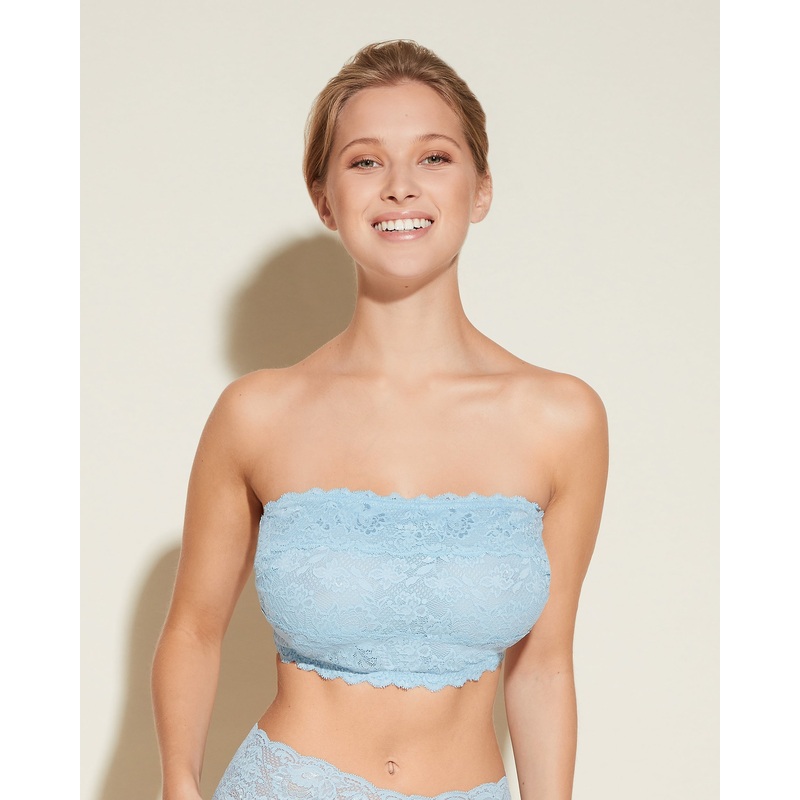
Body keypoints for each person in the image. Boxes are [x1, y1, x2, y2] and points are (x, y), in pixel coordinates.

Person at [151, 39, 608, 800]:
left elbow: (545, 665)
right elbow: (194, 630)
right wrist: (179, 784)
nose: (400, 187)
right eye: (365, 162)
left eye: (434, 157)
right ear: (324, 198)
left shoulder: (561, 419)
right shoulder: (257, 414)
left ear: (481, 189)